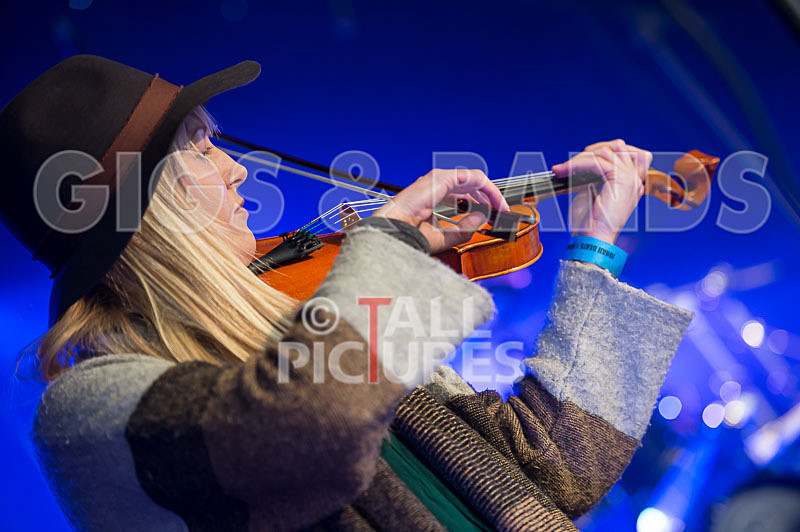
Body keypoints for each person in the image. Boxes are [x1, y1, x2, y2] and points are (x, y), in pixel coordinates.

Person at [0, 55, 693, 531]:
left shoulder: (310, 318)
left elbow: (555, 465)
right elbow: (310, 427)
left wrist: (597, 247)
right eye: (203, 147)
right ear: (145, 204)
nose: (237, 171)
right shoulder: (83, 412)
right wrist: (387, 245)